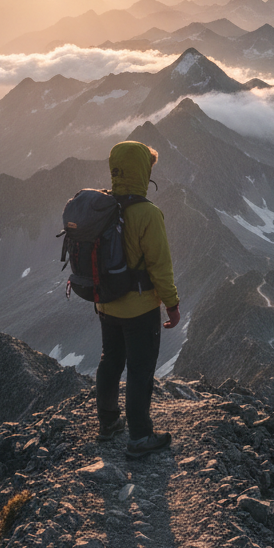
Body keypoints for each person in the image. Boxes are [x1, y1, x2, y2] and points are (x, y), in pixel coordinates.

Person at [94, 140, 181, 458]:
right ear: (142, 172)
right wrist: (172, 304)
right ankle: (140, 437)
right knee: (140, 369)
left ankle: (108, 424)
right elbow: (160, 266)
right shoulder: (148, 214)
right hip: (140, 309)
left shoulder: (101, 208)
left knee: (110, 361)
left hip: (106, 303)